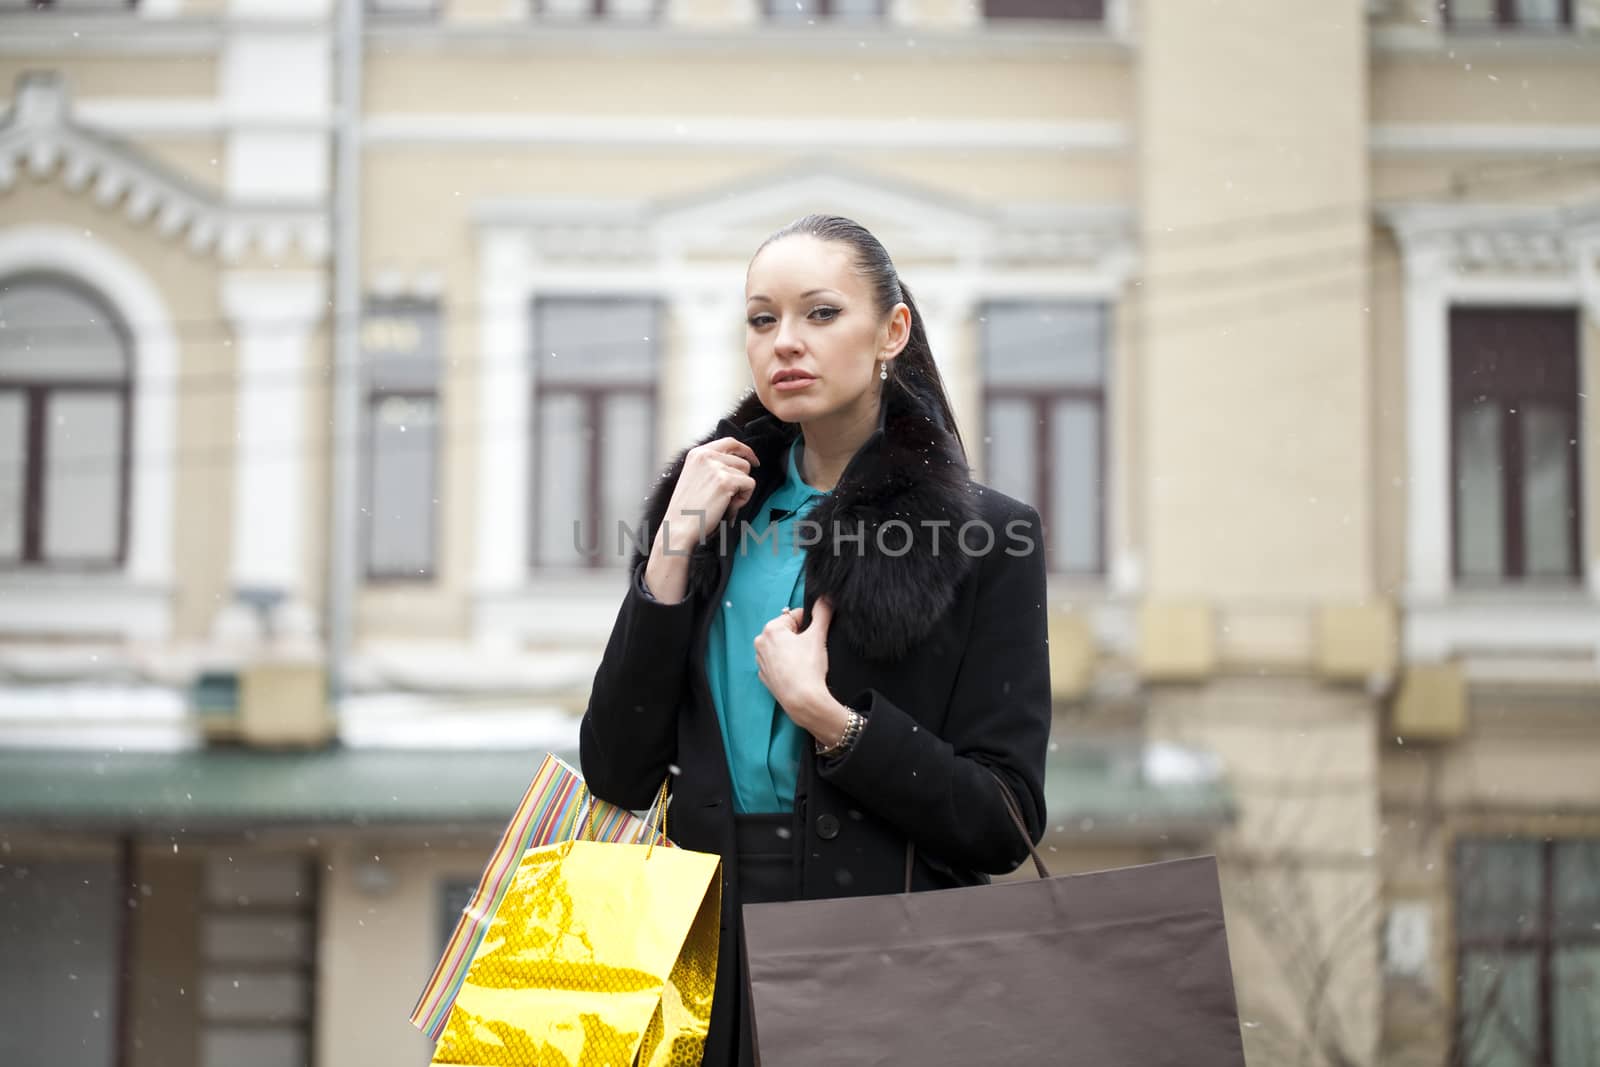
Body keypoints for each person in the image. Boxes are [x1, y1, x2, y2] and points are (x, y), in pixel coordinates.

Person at [579, 214, 1052, 1067]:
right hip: (691, 962)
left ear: (892, 332)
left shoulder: (987, 537)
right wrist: (671, 552)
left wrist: (835, 722)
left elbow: (1004, 821)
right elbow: (616, 769)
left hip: (887, 968)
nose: (784, 343)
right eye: (763, 319)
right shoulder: (713, 516)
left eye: (820, 314)